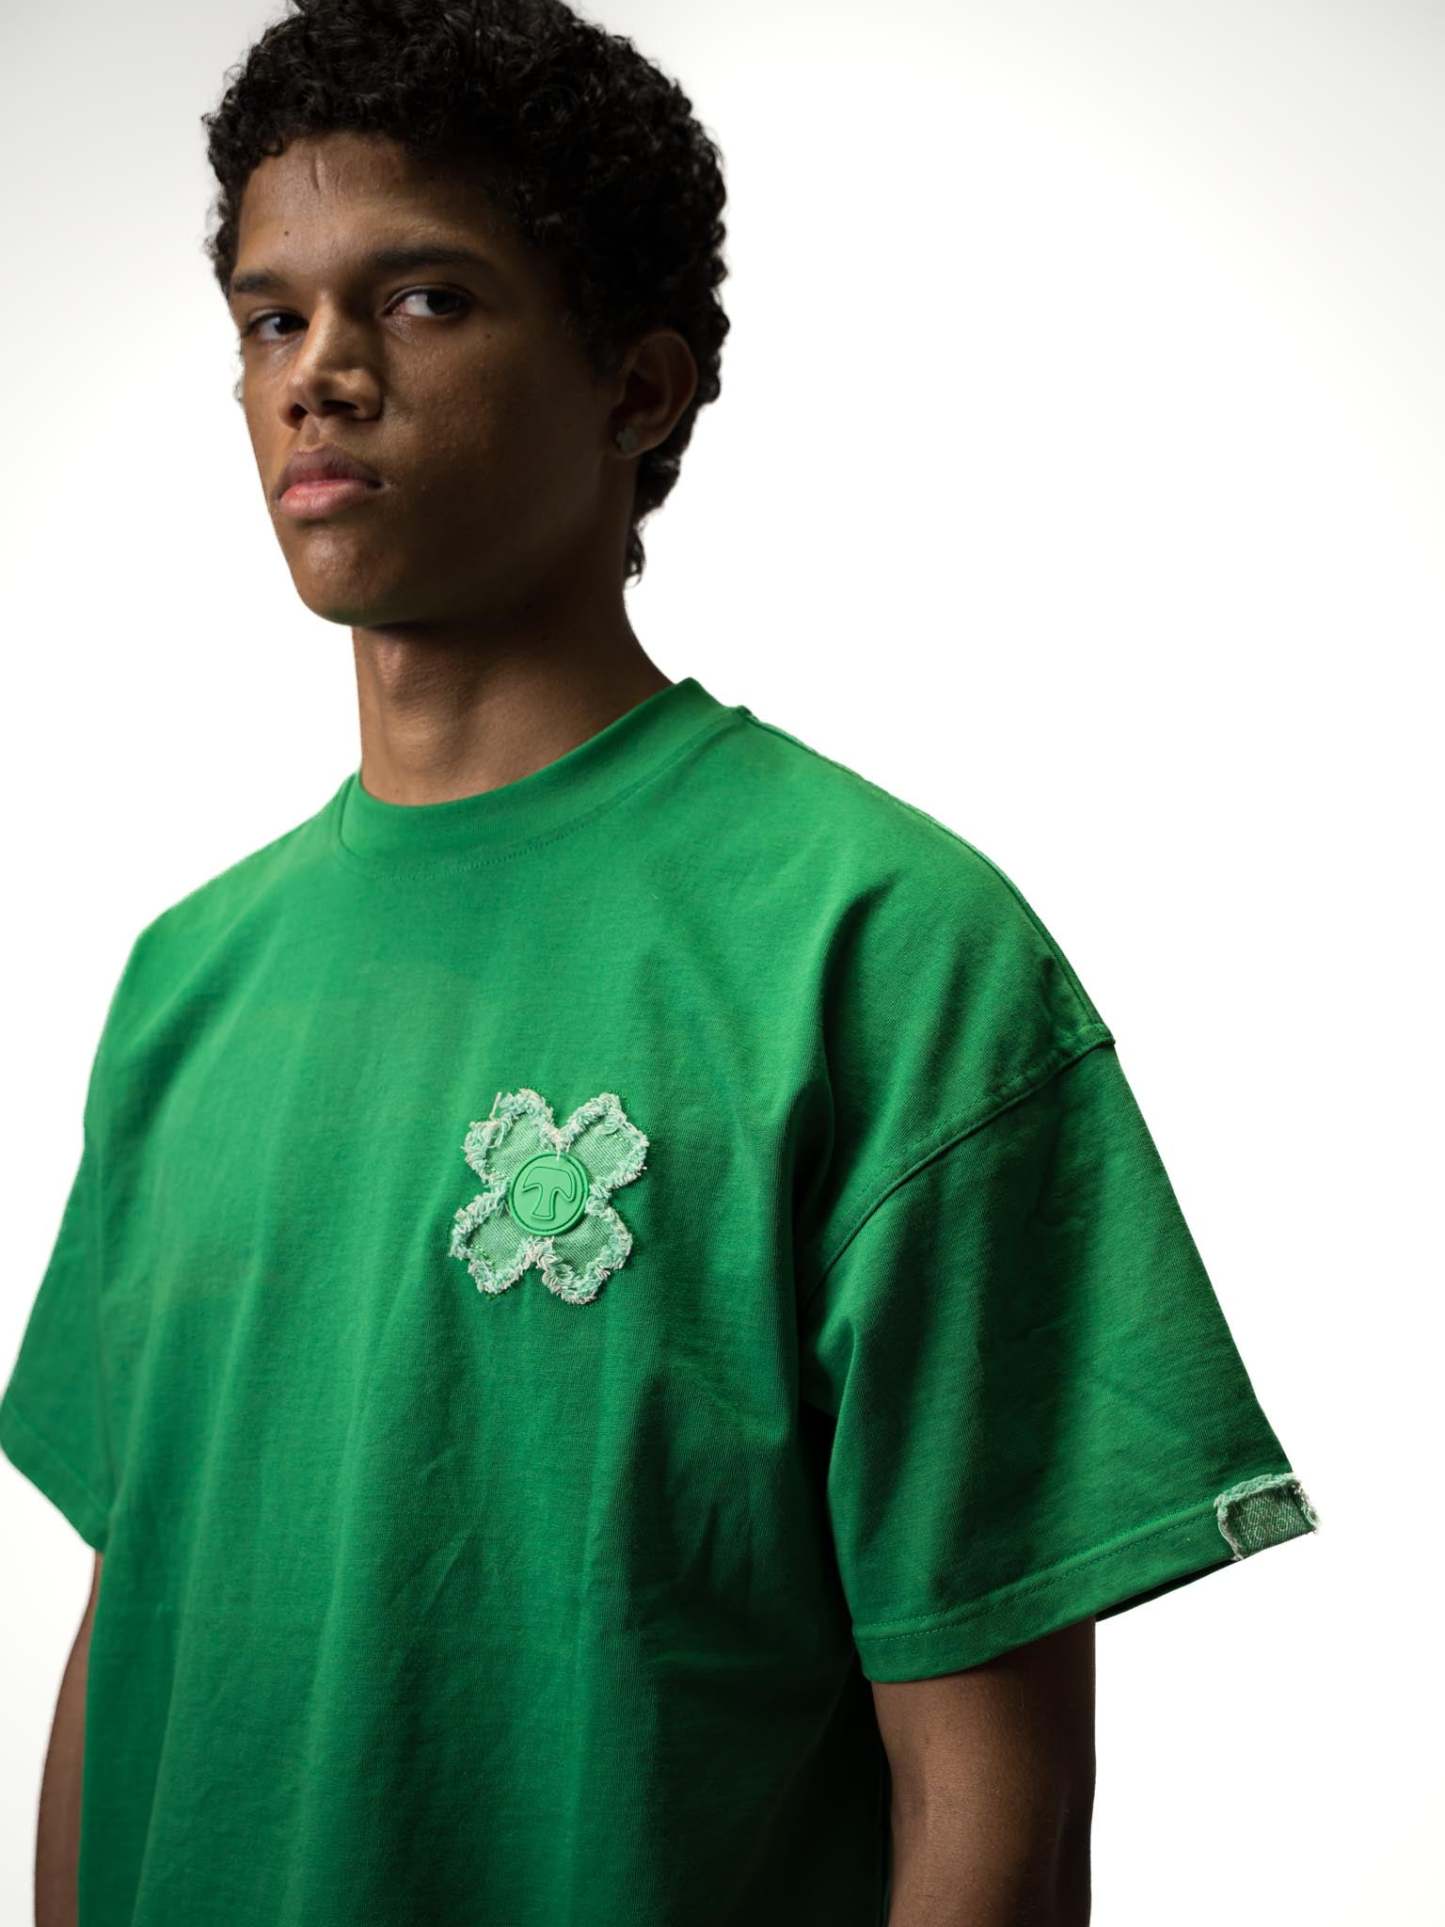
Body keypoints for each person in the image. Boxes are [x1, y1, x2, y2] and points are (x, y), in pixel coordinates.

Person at [0, 2, 1320, 1923]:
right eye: (271, 320)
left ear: (639, 387)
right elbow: (131, 1641)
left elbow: (992, 1807)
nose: (322, 377)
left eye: (424, 299)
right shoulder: (186, 983)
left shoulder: (881, 951)